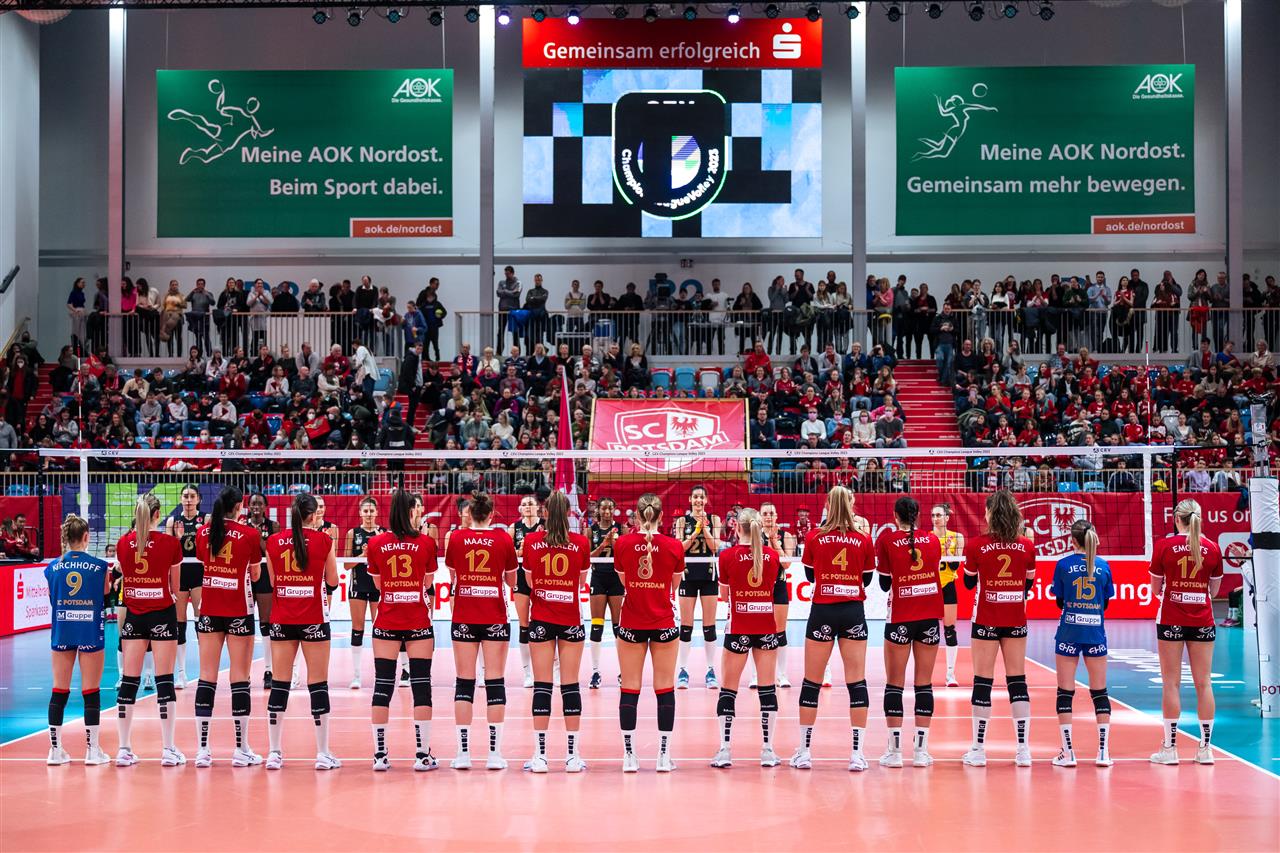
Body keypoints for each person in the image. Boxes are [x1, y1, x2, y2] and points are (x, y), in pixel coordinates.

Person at [792, 486, 875, 772]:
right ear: (851, 505)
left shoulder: (814, 536)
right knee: (857, 683)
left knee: (811, 683)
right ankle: (857, 754)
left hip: (823, 611)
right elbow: (867, 579)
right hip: (853, 612)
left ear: (827, 505)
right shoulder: (863, 538)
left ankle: (804, 752)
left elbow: (809, 575)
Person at [263, 493, 339, 770]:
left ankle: (274, 752)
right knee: (318, 684)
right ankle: (322, 753)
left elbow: (273, 582)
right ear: (314, 515)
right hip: (314, 618)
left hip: (283, 618)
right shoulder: (324, 540)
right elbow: (333, 581)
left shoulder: (273, 541)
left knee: (280, 683)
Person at [962, 490, 1036, 767]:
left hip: (986, 618)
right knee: (1017, 681)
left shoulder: (976, 545)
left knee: (983, 681)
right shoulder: (1026, 546)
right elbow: (1028, 584)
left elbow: (969, 583)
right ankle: (1023, 750)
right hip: (1015, 618)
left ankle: (978, 750)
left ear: (990, 514)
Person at [366, 489, 439, 772]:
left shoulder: (375, 543)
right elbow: (428, 583)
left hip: (386, 621)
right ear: (412, 511)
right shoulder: (426, 543)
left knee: (382, 685)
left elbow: (377, 585)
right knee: (421, 685)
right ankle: (422, 755)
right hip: (418, 621)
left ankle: (379, 755)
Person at [444, 492, 518, 770]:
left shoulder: (456, 538)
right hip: (494, 616)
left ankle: (463, 753)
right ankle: (494, 754)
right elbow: (511, 582)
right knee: (495, 681)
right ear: (491, 514)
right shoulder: (504, 539)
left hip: (464, 614)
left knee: (464, 682)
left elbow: (452, 576)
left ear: (470, 513)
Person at [520, 491, 591, 773]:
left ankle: (540, 756)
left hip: (541, 618)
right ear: (569, 513)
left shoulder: (531, 541)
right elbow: (581, 582)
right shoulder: (581, 542)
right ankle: (573, 756)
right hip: (570, 618)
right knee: (570, 685)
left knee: (542, 685)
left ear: (545, 513)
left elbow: (529, 581)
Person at [614, 493, 685, 772]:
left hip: (632, 622)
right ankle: (663, 757)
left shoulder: (622, 543)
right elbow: (673, 586)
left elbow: (625, 581)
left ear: (637, 515)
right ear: (661, 516)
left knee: (629, 687)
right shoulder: (674, 546)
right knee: (665, 687)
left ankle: (629, 756)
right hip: (663, 623)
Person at [193, 486, 263, 767]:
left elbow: (203, 561)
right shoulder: (250, 534)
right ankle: (241, 748)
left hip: (210, 609)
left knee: (206, 677)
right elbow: (255, 575)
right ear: (240, 506)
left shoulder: (203, 532)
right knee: (240, 677)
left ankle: (202, 750)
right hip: (238, 610)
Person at [1149, 498, 1223, 765]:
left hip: (1171, 617)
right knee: (1204, 683)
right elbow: (1214, 591)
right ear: (1199, 518)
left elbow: (1156, 589)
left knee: (1171, 683)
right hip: (1202, 618)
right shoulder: (1212, 548)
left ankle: (1169, 749)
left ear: (1176, 519)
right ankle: (1205, 749)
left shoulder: (1164, 546)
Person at [115, 493, 185, 767]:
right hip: (162, 613)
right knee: (164, 680)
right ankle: (168, 749)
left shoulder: (123, 543)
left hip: (134, 615)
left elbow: (126, 576)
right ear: (158, 514)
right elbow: (176, 587)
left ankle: (124, 749)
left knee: (129, 681)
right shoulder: (170, 543)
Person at [876, 496, 943, 768]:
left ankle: (894, 753)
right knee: (924, 684)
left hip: (901, 617)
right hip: (929, 617)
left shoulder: (887, 541)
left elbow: (883, 585)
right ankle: (921, 752)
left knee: (894, 683)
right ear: (918, 515)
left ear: (895, 516)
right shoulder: (933, 540)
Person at [712, 508, 782, 769]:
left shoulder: (726, 556)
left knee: (728, 690)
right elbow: (771, 589)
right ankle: (767, 750)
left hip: (738, 627)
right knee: (767, 690)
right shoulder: (772, 556)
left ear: (737, 528)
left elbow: (723, 595)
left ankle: (725, 750)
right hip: (765, 627)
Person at [45, 515, 111, 766]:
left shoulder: (52, 567)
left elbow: (52, 597)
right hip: (89, 629)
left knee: (59, 689)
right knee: (91, 690)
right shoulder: (100, 567)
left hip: (63, 628)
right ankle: (92, 751)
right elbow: (106, 596)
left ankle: (55, 750)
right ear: (86, 537)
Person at [1051, 520, 1115, 768]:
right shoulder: (1103, 566)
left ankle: (1068, 753)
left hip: (1069, 631)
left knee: (1065, 692)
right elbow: (1105, 603)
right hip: (1095, 633)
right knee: (1100, 692)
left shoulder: (1063, 565)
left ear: (1072, 540)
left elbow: (1060, 601)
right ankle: (1103, 752)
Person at [675, 485, 722, 689]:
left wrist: (705, 529)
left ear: (706, 500)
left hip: (709, 574)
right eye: (695, 497)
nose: (698, 500)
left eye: (702, 497)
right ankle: (683, 670)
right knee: (686, 626)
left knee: (709, 626)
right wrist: (695, 532)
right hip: (687, 575)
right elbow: (679, 548)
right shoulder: (682, 521)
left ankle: (710, 670)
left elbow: (715, 547)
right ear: (690, 499)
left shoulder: (714, 519)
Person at [165, 485, 206, 689]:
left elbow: (210, 546)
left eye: (192, 496)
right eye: (185, 496)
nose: (188, 500)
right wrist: (177, 539)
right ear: (181, 499)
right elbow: (168, 550)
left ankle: (205, 671)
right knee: (179, 623)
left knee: (201, 621)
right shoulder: (172, 521)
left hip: (199, 571)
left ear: (198, 499)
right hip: (180, 573)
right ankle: (181, 673)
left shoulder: (206, 519)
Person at [344, 497, 385, 690]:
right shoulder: (353, 533)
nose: (368, 514)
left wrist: (376, 551)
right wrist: (363, 555)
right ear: (360, 513)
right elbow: (346, 565)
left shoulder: (383, 533)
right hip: (358, 586)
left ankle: (380, 674)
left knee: (380, 629)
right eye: (365, 511)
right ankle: (356, 675)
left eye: (371, 511)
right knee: (357, 629)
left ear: (377, 512)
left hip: (377, 586)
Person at [757, 502, 796, 688]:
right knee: (757, 630)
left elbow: (787, 564)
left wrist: (773, 541)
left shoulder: (785, 535)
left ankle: (781, 674)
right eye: (765, 513)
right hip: (758, 587)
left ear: (777, 516)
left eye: (771, 513)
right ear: (760, 516)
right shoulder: (754, 535)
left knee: (780, 631)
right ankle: (756, 676)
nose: (768, 517)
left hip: (779, 585)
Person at [587, 497, 625, 690]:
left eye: (610, 508)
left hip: (617, 579)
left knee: (618, 627)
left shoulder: (622, 529)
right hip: (598, 579)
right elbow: (587, 557)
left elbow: (625, 555)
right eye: (603, 508)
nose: (607, 511)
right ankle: (595, 672)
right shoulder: (591, 530)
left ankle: (623, 672)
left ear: (614, 509)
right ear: (598, 510)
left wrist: (614, 543)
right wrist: (603, 544)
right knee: (596, 626)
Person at [243, 492, 278, 690]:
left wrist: (257, 537)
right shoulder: (242, 525)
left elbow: (272, 552)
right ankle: (244, 673)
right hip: (246, 575)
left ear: (265, 507)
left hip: (264, 574)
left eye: (260, 503)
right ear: (248, 506)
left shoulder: (273, 526)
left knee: (266, 624)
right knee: (245, 624)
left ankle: (268, 671)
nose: (256, 506)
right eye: (253, 503)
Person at [509, 495, 544, 689]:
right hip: (521, 577)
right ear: (520, 509)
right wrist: (519, 552)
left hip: (542, 576)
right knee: (524, 624)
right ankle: (527, 673)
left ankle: (553, 669)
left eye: (530, 504)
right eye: (524, 505)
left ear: (537, 507)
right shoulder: (514, 528)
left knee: (545, 623)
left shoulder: (545, 526)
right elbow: (508, 555)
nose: (527, 507)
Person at [931, 503, 966, 687]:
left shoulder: (957, 537)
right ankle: (924, 674)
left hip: (948, 586)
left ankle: (950, 675)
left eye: (939, 515)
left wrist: (945, 551)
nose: (935, 518)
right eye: (933, 515)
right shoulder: (927, 537)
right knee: (927, 630)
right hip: (929, 587)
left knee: (950, 630)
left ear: (947, 517)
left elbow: (954, 566)